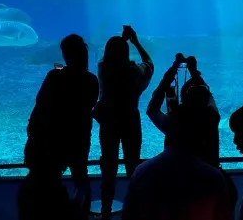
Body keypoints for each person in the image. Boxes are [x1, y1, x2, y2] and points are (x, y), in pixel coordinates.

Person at [23, 33, 99, 212]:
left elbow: (40, 103)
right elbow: (89, 105)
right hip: (79, 137)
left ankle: (53, 212)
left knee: (52, 178)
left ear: (65, 54)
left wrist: (33, 130)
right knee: (81, 177)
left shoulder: (54, 76)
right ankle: (82, 213)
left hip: (54, 137)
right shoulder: (91, 80)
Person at [96, 24, 154, 217]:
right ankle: (135, 210)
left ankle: (105, 210)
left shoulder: (103, 69)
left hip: (108, 122)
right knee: (133, 166)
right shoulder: (134, 73)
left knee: (108, 167)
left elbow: (111, 60)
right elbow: (149, 64)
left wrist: (120, 41)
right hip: (130, 121)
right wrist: (135, 41)